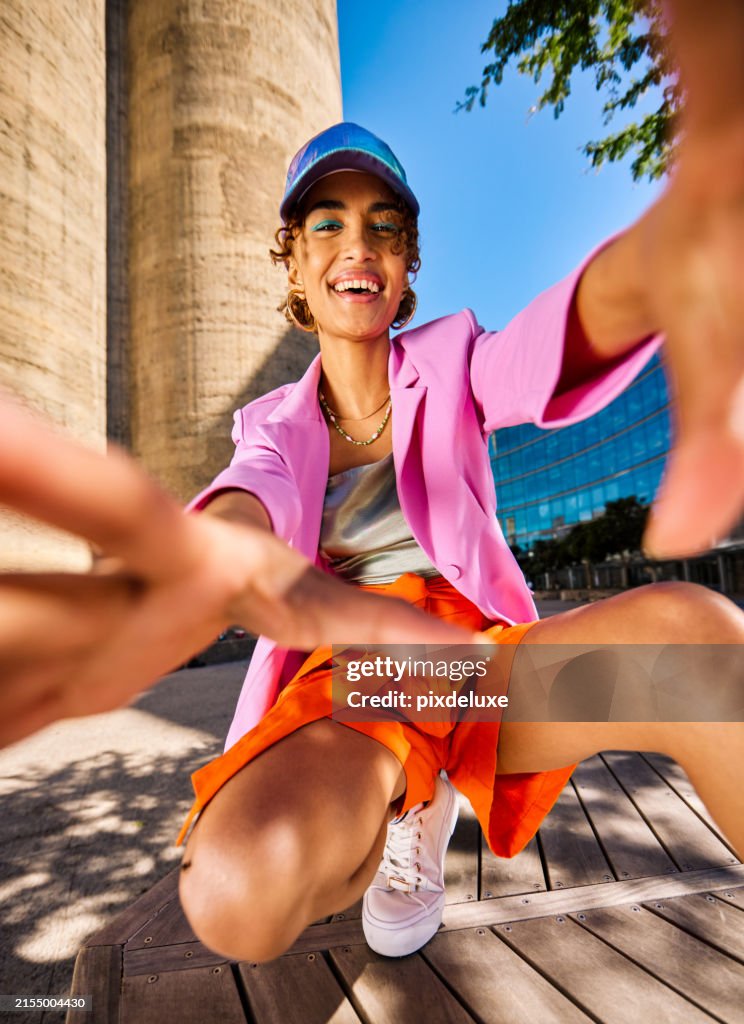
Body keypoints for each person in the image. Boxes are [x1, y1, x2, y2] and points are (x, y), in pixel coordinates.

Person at [0, 0, 742, 965]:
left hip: (475, 675)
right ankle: (405, 788)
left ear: (405, 268)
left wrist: (649, 265)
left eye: (385, 227)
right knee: (236, 897)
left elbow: (532, 356)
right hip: (362, 674)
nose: (360, 243)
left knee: (702, 646)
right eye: (329, 223)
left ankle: (424, 774)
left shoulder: (452, 359)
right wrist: (204, 559)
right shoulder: (272, 427)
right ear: (297, 270)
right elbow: (248, 504)